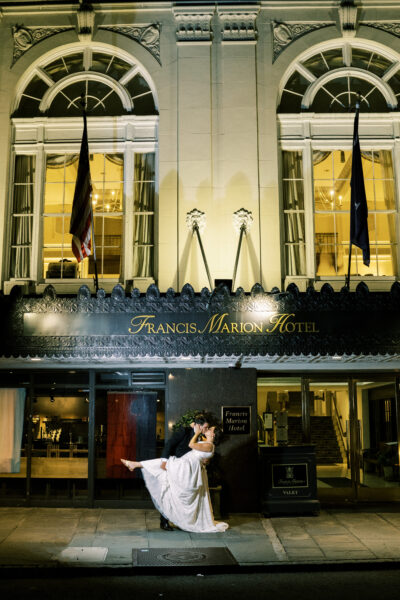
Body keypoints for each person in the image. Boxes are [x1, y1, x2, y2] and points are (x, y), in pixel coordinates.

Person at [121, 424, 228, 533]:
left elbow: (191, 445)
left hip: (187, 468)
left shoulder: (209, 445)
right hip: (187, 465)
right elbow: (204, 457)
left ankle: (136, 464)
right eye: (207, 427)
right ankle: (135, 464)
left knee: (163, 466)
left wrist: (196, 433)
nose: (208, 429)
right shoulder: (206, 443)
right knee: (163, 469)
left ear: (213, 434)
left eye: (210, 429)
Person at [158, 414, 210, 530]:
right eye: (205, 427)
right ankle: (164, 521)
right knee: (171, 495)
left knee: (183, 498)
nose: (205, 430)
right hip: (177, 467)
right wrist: (164, 461)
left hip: (190, 471)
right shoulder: (184, 431)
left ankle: (182, 522)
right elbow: (169, 444)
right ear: (197, 425)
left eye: (207, 428)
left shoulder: (201, 437)